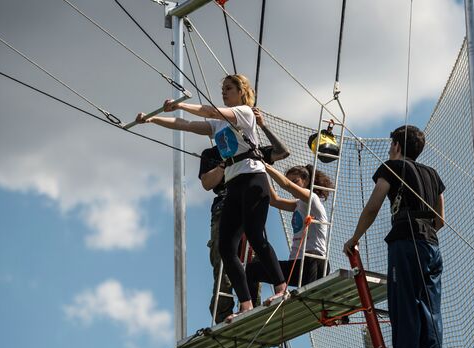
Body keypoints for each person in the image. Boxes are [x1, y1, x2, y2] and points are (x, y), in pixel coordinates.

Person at [136, 74, 285, 323]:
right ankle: (246, 304)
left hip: (253, 179)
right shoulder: (219, 125)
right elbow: (185, 126)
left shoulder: (245, 113)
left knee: (256, 236)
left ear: (241, 92)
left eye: (229, 88)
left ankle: (281, 290)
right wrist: (153, 120)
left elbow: (210, 111)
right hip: (234, 184)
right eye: (223, 89)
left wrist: (181, 103)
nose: (224, 92)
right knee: (226, 247)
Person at [342, 125, 445, 348]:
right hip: (431, 246)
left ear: (397, 146)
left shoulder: (392, 167)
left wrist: (355, 238)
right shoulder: (433, 175)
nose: (389, 149)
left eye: (391, 144)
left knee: (404, 305)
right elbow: (440, 219)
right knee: (429, 307)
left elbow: (374, 205)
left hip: (406, 243)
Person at [198, 107, 289, 323]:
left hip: (248, 196)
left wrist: (263, 125)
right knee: (224, 254)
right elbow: (206, 183)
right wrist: (225, 164)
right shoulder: (211, 154)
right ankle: (228, 310)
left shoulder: (249, 145)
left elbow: (282, 152)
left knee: (254, 245)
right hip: (225, 204)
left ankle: (253, 301)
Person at [246, 164, 332, 305]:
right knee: (252, 270)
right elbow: (274, 201)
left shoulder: (313, 199)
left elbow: (286, 185)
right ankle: (251, 307)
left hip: (313, 262)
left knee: (309, 303)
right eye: (291, 180)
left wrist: (265, 165)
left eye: (295, 181)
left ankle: (283, 295)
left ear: (306, 180)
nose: (292, 184)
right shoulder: (298, 204)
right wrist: (260, 172)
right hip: (297, 264)